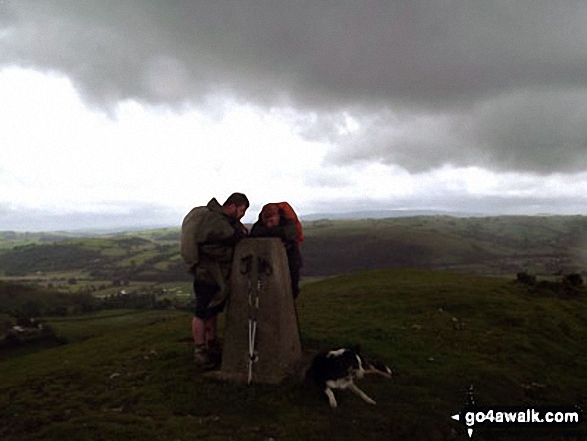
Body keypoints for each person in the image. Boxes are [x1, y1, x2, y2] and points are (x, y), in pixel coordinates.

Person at [180, 193, 249, 369]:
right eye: (242, 210)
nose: (242, 215)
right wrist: (231, 250)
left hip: (216, 275)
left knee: (212, 310)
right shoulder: (215, 220)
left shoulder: (223, 221)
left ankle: (212, 344)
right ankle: (200, 351)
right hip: (206, 274)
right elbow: (208, 246)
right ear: (232, 206)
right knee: (201, 312)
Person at [249, 202, 303, 299]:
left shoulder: (288, 222)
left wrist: (266, 233)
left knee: (291, 288)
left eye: (271, 221)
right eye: (266, 222)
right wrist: (276, 233)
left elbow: (289, 233)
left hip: (290, 260)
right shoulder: (260, 224)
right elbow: (254, 233)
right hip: (269, 262)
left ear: (278, 216)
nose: (269, 225)